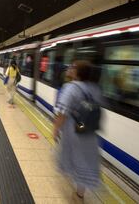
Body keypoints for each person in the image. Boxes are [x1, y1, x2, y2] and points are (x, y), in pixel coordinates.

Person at [52, 60, 102, 201]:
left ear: (77, 72)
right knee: (85, 160)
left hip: (73, 130)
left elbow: (62, 112)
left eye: (73, 66)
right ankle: (80, 193)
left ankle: (73, 182)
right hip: (88, 131)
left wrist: (55, 129)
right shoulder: (94, 88)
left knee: (71, 156)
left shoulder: (70, 87)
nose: (70, 68)